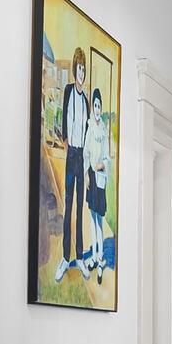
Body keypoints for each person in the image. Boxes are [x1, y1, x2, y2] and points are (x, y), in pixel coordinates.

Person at [59, 49, 89, 278]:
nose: (81, 73)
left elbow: (87, 132)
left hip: (82, 156)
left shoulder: (87, 101)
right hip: (71, 154)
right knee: (68, 205)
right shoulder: (68, 91)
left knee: (80, 206)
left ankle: (79, 257)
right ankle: (65, 257)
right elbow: (64, 120)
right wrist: (67, 143)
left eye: (83, 69)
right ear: (74, 70)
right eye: (79, 69)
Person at [84, 87, 111, 280]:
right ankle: (93, 256)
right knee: (92, 218)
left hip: (99, 177)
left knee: (99, 219)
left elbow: (108, 157)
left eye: (99, 105)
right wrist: (86, 174)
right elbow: (86, 152)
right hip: (90, 177)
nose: (97, 108)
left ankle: (100, 256)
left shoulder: (103, 129)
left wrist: (102, 164)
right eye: (95, 105)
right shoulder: (90, 128)